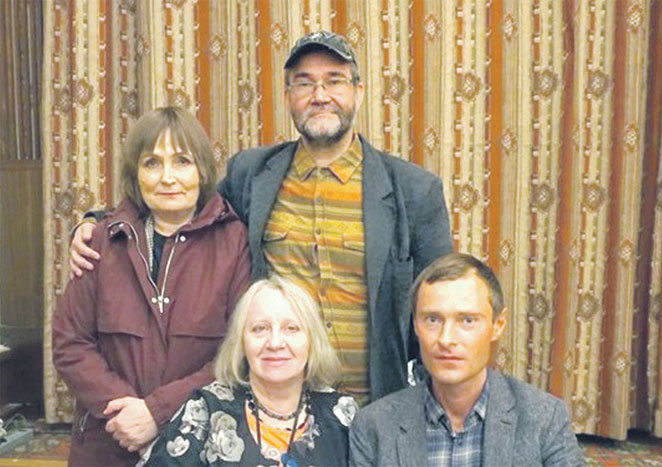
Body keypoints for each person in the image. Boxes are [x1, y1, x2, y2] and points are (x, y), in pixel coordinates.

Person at [69, 30, 454, 404]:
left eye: (334, 81)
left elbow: (441, 305)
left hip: (371, 412)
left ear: (358, 91)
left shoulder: (413, 191)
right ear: (288, 97)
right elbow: (183, 204)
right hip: (274, 410)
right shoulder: (251, 174)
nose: (320, 95)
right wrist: (97, 222)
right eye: (304, 83)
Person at [52, 107, 251, 466]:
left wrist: (157, 412)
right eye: (152, 163)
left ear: (202, 170)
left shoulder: (234, 241)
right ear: (136, 174)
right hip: (107, 441)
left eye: (182, 162)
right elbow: (70, 342)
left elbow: (237, 351)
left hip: (197, 443)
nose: (168, 178)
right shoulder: (100, 240)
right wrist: (126, 413)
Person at [349, 253, 585, 466]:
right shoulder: (374, 427)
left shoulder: (544, 418)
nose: (446, 339)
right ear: (416, 325)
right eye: (432, 319)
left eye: (467, 320)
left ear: (497, 325)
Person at [138, 276, 358, 467]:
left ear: (312, 341)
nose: (275, 343)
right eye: (259, 329)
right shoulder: (206, 409)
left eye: (291, 328)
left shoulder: (341, 414)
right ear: (241, 343)